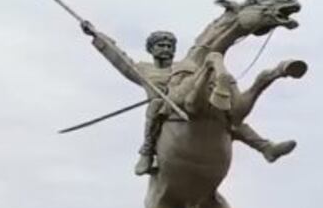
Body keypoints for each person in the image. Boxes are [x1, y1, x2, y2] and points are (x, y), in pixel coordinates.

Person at [80, 21, 295, 176]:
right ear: (151, 49)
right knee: (155, 105)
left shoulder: (183, 67)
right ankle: (147, 151)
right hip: (165, 110)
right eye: (160, 46)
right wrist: (97, 36)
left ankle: (266, 148)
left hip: (188, 103)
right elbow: (118, 57)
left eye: (169, 46)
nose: (166, 49)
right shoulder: (142, 70)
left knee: (223, 111)